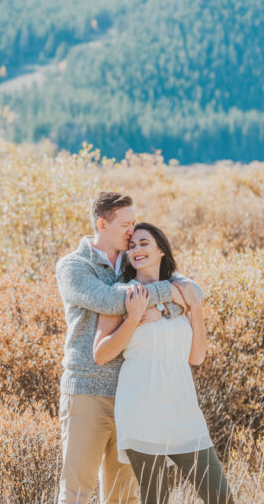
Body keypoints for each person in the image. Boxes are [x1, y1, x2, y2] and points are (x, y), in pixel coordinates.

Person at [55, 192, 202, 504]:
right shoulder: (73, 266)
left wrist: (170, 299)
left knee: (124, 497)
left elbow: (194, 290)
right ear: (102, 224)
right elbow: (111, 300)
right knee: (76, 492)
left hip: (131, 397)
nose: (132, 232)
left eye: (134, 223)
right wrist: (169, 293)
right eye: (125, 224)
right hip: (87, 392)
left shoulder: (130, 259)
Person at [94, 222, 233, 504]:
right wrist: (133, 318)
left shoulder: (182, 292)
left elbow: (197, 357)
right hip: (141, 408)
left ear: (161, 251)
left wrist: (195, 308)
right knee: (156, 498)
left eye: (144, 243)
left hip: (183, 409)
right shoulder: (122, 295)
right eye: (132, 246)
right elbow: (101, 354)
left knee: (219, 496)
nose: (136, 250)